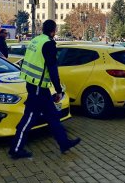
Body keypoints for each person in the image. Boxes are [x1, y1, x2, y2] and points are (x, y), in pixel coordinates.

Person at [9, 19, 80, 159]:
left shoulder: (36, 40)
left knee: (52, 116)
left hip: (35, 84)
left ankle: (64, 143)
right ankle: (16, 149)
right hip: (38, 87)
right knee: (29, 117)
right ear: (53, 31)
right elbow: (52, 68)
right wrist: (59, 89)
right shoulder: (48, 44)